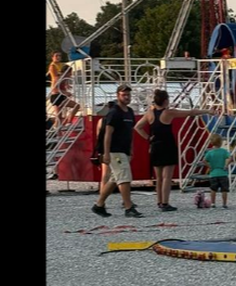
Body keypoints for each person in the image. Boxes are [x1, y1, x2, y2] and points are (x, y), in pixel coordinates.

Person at [134, 89, 212, 211]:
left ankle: (159, 201)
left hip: (155, 146)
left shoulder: (150, 113)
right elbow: (190, 112)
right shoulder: (169, 113)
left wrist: (148, 138)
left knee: (158, 178)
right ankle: (165, 203)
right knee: (167, 177)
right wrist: (207, 111)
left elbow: (137, 127)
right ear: (165, 101)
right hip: (167, 145)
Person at [91, 85, 142, 218]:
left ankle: (99, 205)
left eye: (128, 95)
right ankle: (128, 207)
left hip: (124, 150)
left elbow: (130, 132)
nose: (127, 97)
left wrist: (131, 149)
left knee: (114, 179)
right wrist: (106, 153)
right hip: (115, 151)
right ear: (118, 95)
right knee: (125, 178)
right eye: (124, 95)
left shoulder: (130, 112)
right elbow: (108, 134)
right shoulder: (114, 113)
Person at [47, 53, 81, 128]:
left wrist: (66, 86)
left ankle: (56, 132)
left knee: (58, 118)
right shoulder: (57, 77)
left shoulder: (64, 78)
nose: (71, 74)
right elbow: (54, 88)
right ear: (67, 72)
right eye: (70, 73)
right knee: (76, 106)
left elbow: (62, 85)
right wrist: (65, 92)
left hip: (58, 96)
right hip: (57, 96)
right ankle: (68, 122)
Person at [203, 133, 232, 208]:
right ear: (221, 142)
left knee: (213, 189)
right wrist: (226, 165)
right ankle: (224, 204)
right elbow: (230, 158)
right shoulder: (224, 151)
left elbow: (204, 160)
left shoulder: (210, 152)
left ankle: (213, 203)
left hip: (213, 174)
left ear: (211, 142)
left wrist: (210, 166)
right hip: (223, 173)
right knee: (224, 190)